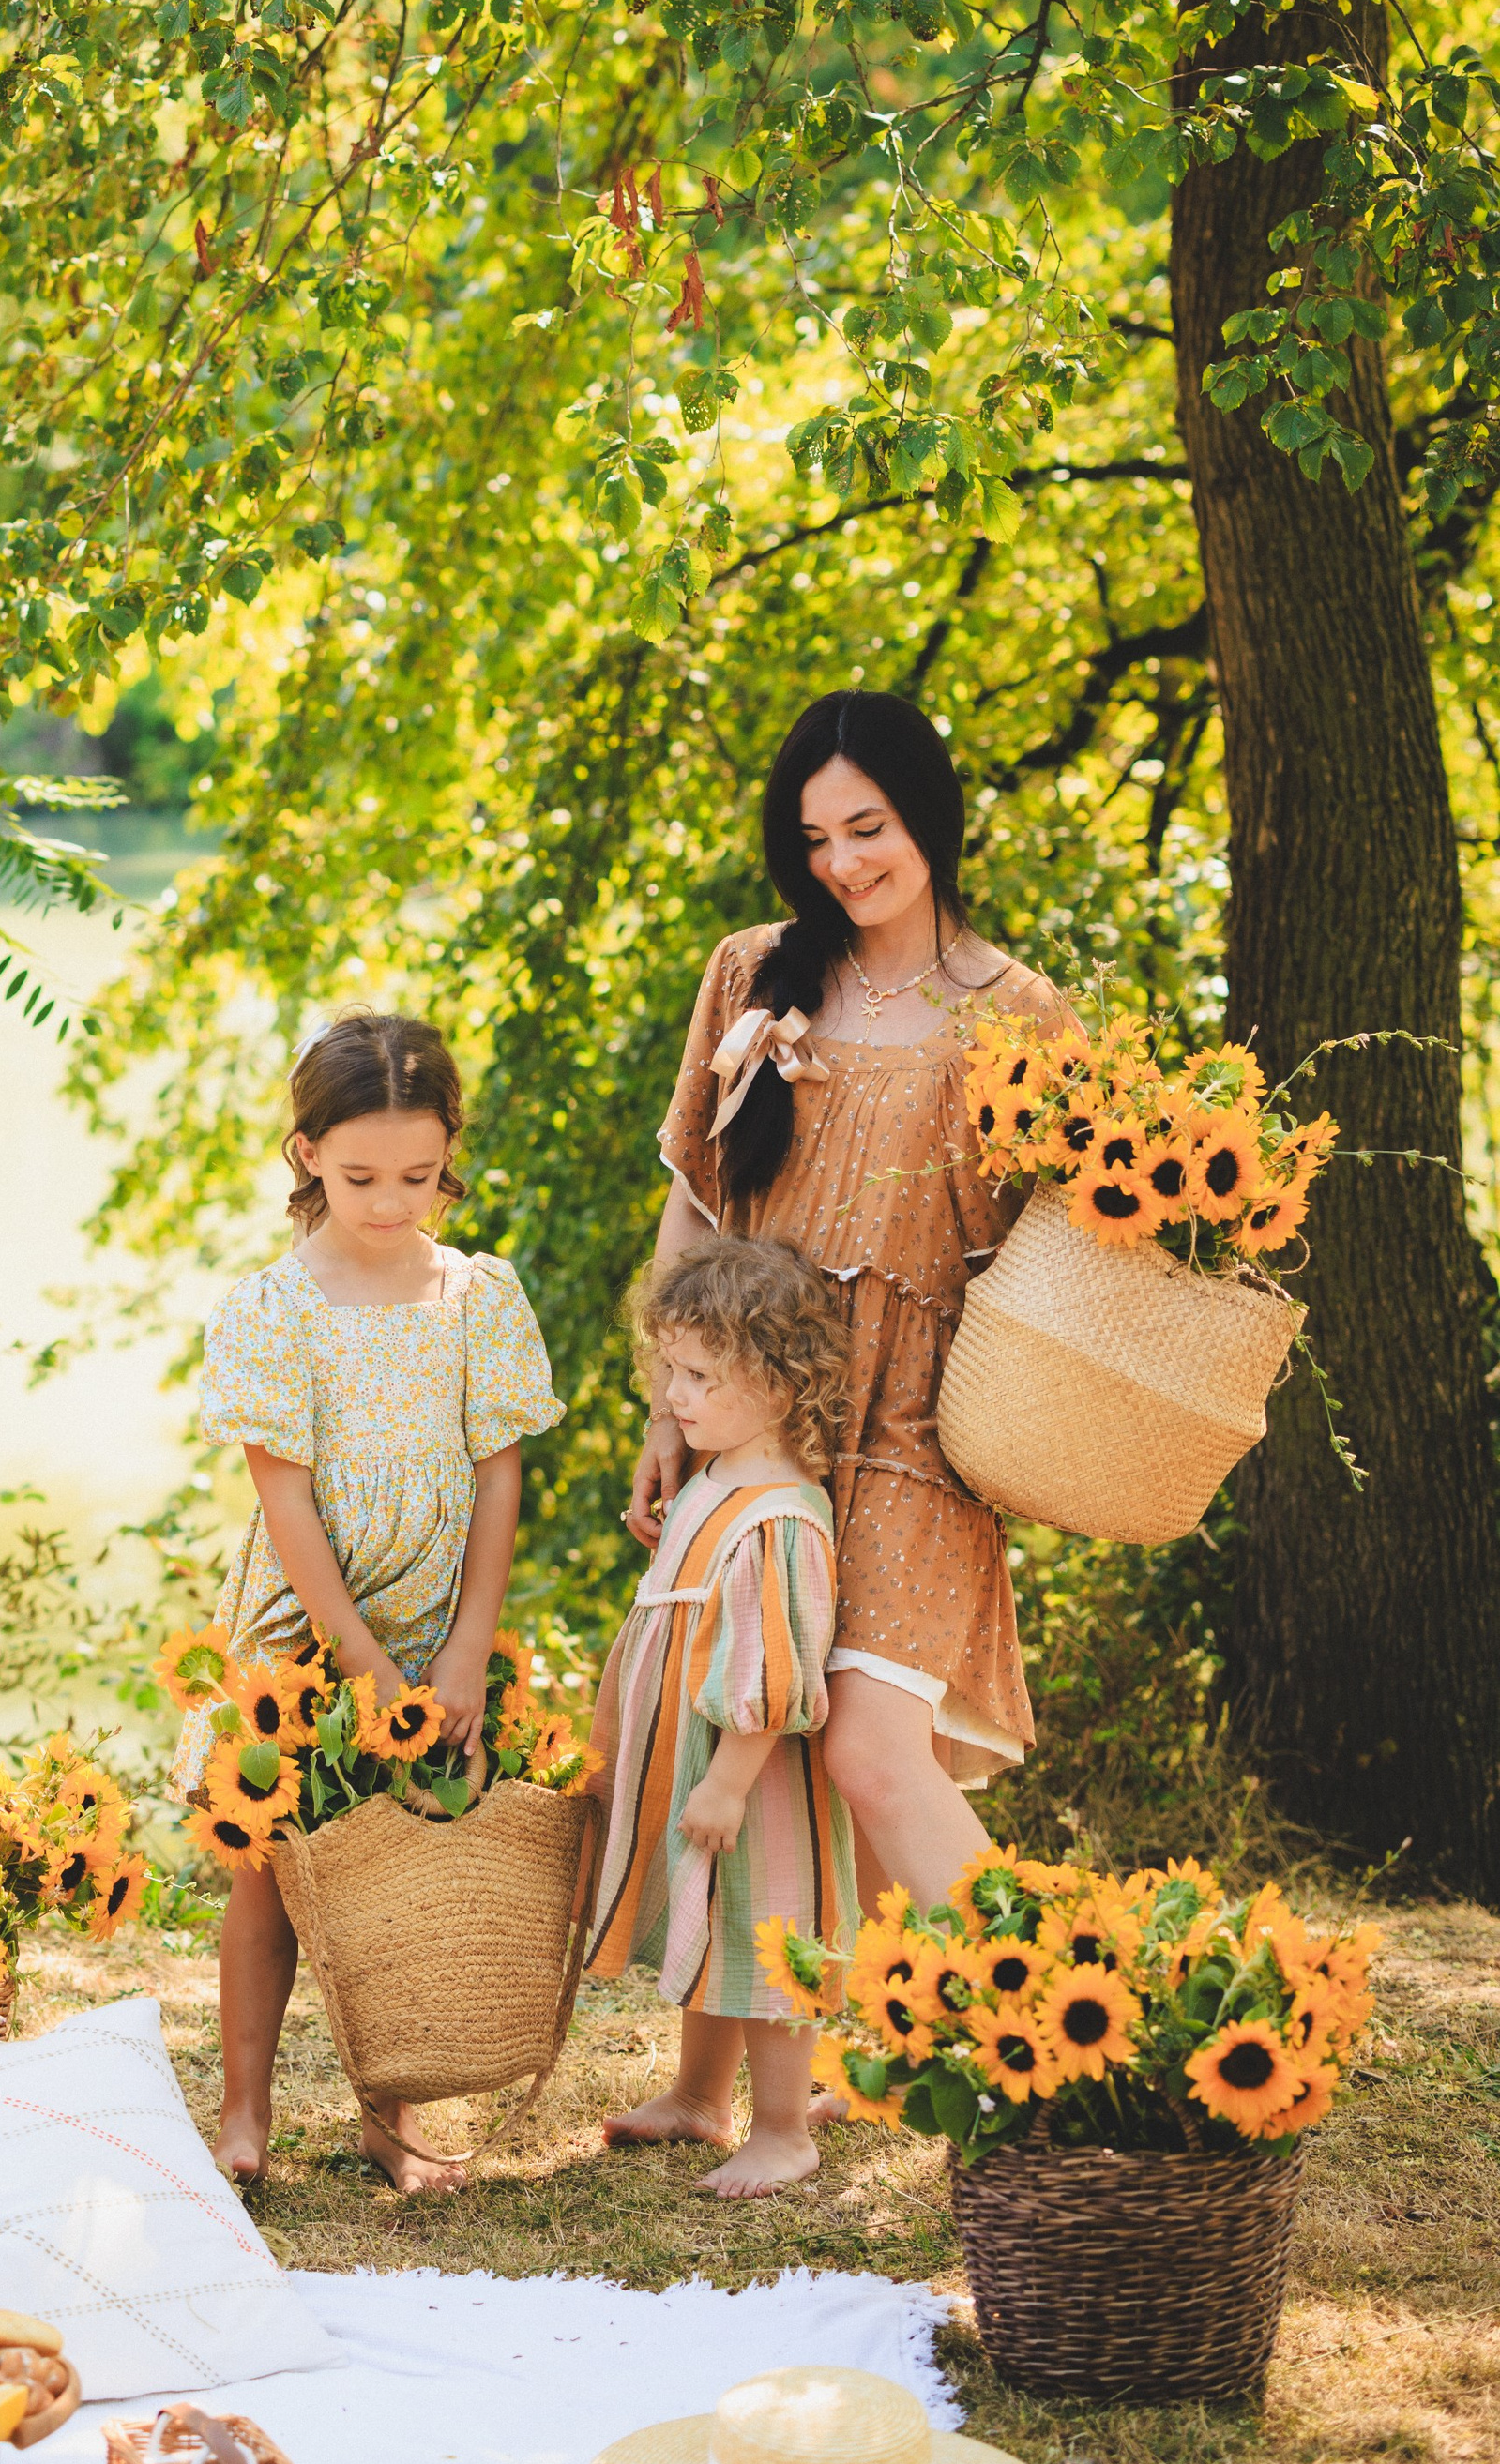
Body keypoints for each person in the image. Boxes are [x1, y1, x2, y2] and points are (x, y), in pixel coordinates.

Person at [627, 691, 1074, 1920]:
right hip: (763, 1419)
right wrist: (669, 1405)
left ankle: (1058, 2021)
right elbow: (697, 1210)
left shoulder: (1019, 1014)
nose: (843, 863)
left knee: (873, 1746)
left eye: (867, 826)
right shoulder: (751, 974)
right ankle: (877, 2033)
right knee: (776, 1739)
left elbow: (1070, 1255)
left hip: (923, 1427)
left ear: (927, 813)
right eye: (816, 839)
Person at [191, 1007, 562, 2197]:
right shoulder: (272, 1308)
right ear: (306, 1154)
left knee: (395, 1849)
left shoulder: (477, 1294)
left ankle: (389, 2118)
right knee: (274, 1857)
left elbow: (498, 1473)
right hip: (308, 1621)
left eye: (417, 1173)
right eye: (359, 1175)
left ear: (450, 1146)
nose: (392, 1200)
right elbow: (285, 1500)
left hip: (433, 1613)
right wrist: (353, 1656)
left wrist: (461, 1649)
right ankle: (242, 2110)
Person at [585, 1239, 856, 2197]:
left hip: (748, 1775)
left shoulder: (779, 1511)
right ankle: (699, 2096)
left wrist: (727, 1782)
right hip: (697, 1758)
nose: (677, 1393)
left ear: (780, 1385)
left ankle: (783, 2127)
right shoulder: (715, 1478)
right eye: (671, 1369)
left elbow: (774, 1671)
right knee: (712, 1922)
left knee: (765, 1931)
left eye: (701, 1374)